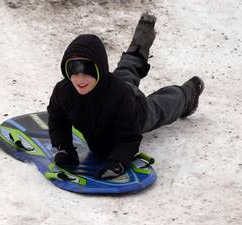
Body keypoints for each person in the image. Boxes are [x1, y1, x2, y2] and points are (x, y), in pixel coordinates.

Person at [47, 13, 204, 179]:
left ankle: (187, 94)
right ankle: (139, 45)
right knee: (125, 71)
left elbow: (129, 138)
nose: (80, 79)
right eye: (73, 70)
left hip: (135, 107)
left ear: (99, 69)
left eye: (87, 70)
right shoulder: (63, 91)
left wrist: (118, 162)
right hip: (115, 86)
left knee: (161, 108)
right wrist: (64, 147)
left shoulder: (118, 97)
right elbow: (57, 118)